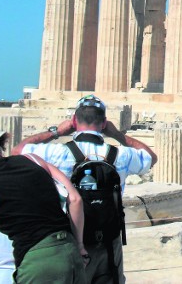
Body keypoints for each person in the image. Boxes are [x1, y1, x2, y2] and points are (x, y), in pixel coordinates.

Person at [12, 94, 158, 284]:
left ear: (74, 121)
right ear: (104, 123)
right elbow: (151, 157)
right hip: (108, 238)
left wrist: (56, 132)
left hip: (70, 239)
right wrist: (117, 135)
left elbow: (18, 150)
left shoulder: (58, 153)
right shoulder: (120, 155)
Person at [0, 130, 88, 283]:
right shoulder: (33, 159)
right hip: (69, 251)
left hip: (36, 260)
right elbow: (75, 199)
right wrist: (80, 246)